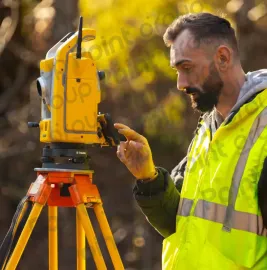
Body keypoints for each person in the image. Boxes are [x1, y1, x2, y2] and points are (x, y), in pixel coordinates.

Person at [114, 12, 267, 269]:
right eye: (177, 70)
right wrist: (148, 177)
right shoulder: (207, 129)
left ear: (223, 57)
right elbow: (182, 224)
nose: (180, 83)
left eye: (187, 68)